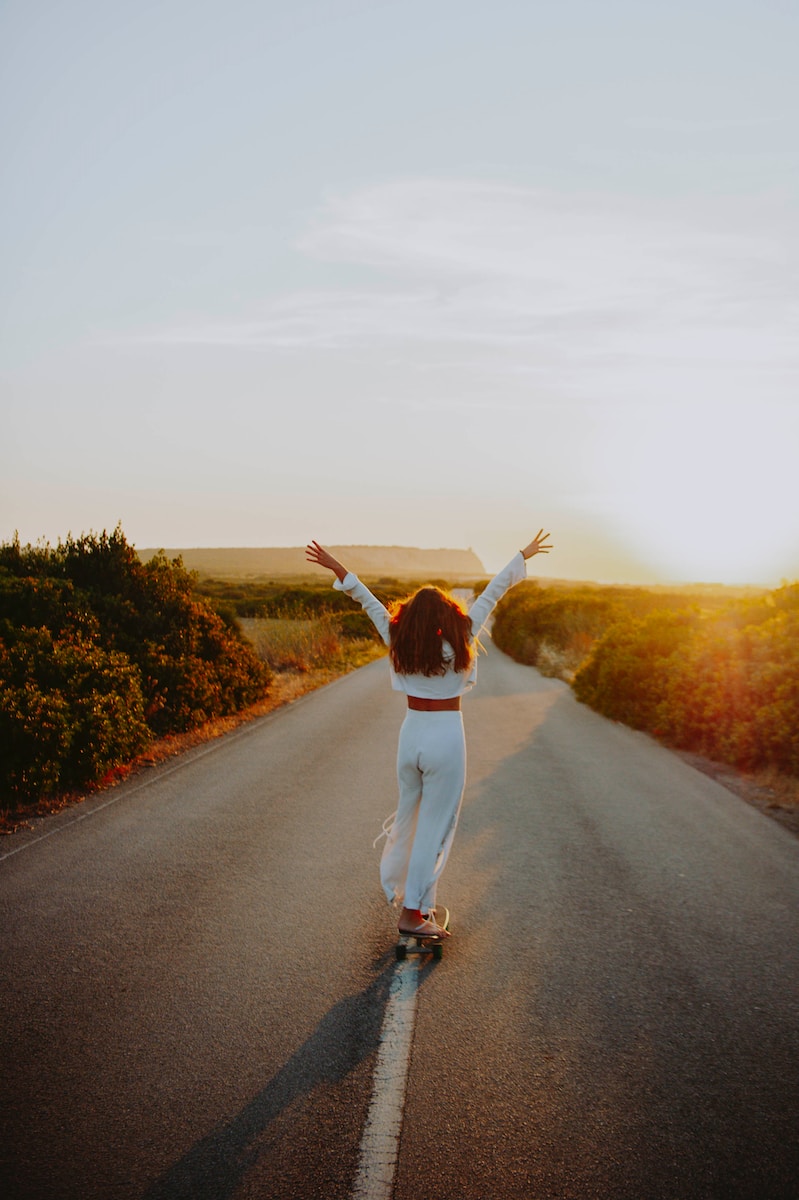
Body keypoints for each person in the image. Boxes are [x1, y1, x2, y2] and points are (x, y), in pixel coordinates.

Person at [305, 531, 553, 939]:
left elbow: (367, 600)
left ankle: (412, 897)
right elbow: (494, 591)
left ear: (410, 618)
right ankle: (412, 914)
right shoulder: (464, 635)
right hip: (446, 738)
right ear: (448, 616)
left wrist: (338, 567)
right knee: (436, 827)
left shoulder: (397, 637)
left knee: (410, 819)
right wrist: (522, 555)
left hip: (411, 735)